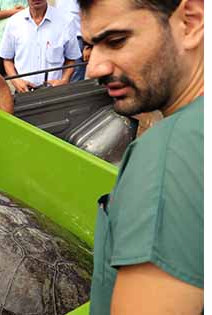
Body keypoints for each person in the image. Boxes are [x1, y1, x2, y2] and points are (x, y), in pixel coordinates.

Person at [79, 0, 203, 314]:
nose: (94, 68)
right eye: (91, 46)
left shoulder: (168, 154)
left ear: (190, 22)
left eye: (116, 41)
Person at [0, 0, 81, 93]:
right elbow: (7, 59)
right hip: (24, 91)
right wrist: (15, 80)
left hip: (55, 92)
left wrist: (64, 80)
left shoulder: (66, 21)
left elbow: (71, 59)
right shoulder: (14, 22)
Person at [0, 0, 26, 75]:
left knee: (24, 77)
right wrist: (13, 12)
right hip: (1, 43)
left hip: (24, 44)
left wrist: (24, 11)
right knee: (1, 78)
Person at [55, 0, 85, 81]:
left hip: (78, 37)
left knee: (74, 81)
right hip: (60, 37)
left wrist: (89, 44)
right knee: (59, 77)